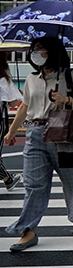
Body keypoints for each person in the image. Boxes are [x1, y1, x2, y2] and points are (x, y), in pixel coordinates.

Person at [4, 37, 73, 252]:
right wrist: (12, 131)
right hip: (35, 132)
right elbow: (25, 106)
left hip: (62, 132)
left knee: (71, 178)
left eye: (42, 50)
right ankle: (27, 230)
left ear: (53, 52)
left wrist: (65, 99)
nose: (36, 53)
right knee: (33, 184)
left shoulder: (71, 75)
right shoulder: (31, 79)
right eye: (34, 50)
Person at [0, 52, 22, 190]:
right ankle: (7, 178)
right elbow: (14, 103)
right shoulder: (2, 79)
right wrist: (18, 92)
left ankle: (8, 179)